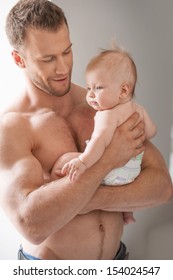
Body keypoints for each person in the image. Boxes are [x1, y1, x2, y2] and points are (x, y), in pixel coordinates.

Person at [0, 0, 172, 260]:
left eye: (67, 51)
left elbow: (162, 187)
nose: (63, 68)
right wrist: (106, 161)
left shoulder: (104, 105)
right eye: (48, 59)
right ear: (18, 59)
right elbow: (31, 224)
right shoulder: (12, 127)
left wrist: (83, 200)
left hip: (118, 261)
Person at [51, 47, 157, 224]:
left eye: (98, 88)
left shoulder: (107, 115)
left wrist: (83, 161)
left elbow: (100, 141)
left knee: (67, 161)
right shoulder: (138, 109)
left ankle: (68, 198)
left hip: (116, 172)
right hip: (133, 171)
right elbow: (152, 131)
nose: (90, 94)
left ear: (123, 90)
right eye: (88, 88)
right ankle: (127, 212)